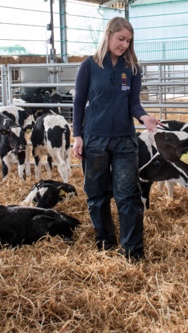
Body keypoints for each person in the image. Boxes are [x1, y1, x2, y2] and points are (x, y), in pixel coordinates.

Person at [72, 17, 160, 261]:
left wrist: (144, 118)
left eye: (128, 41)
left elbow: (134, 104)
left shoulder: (131, 68)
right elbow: (79, 102)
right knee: (97, 194)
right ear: (108, 35)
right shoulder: (88, 66)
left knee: (128, 196)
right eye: (121, 39)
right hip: (94, 139)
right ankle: (105, 242)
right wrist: (77, 135)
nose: (124, 44)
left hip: (124, 140)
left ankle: (133, 251)